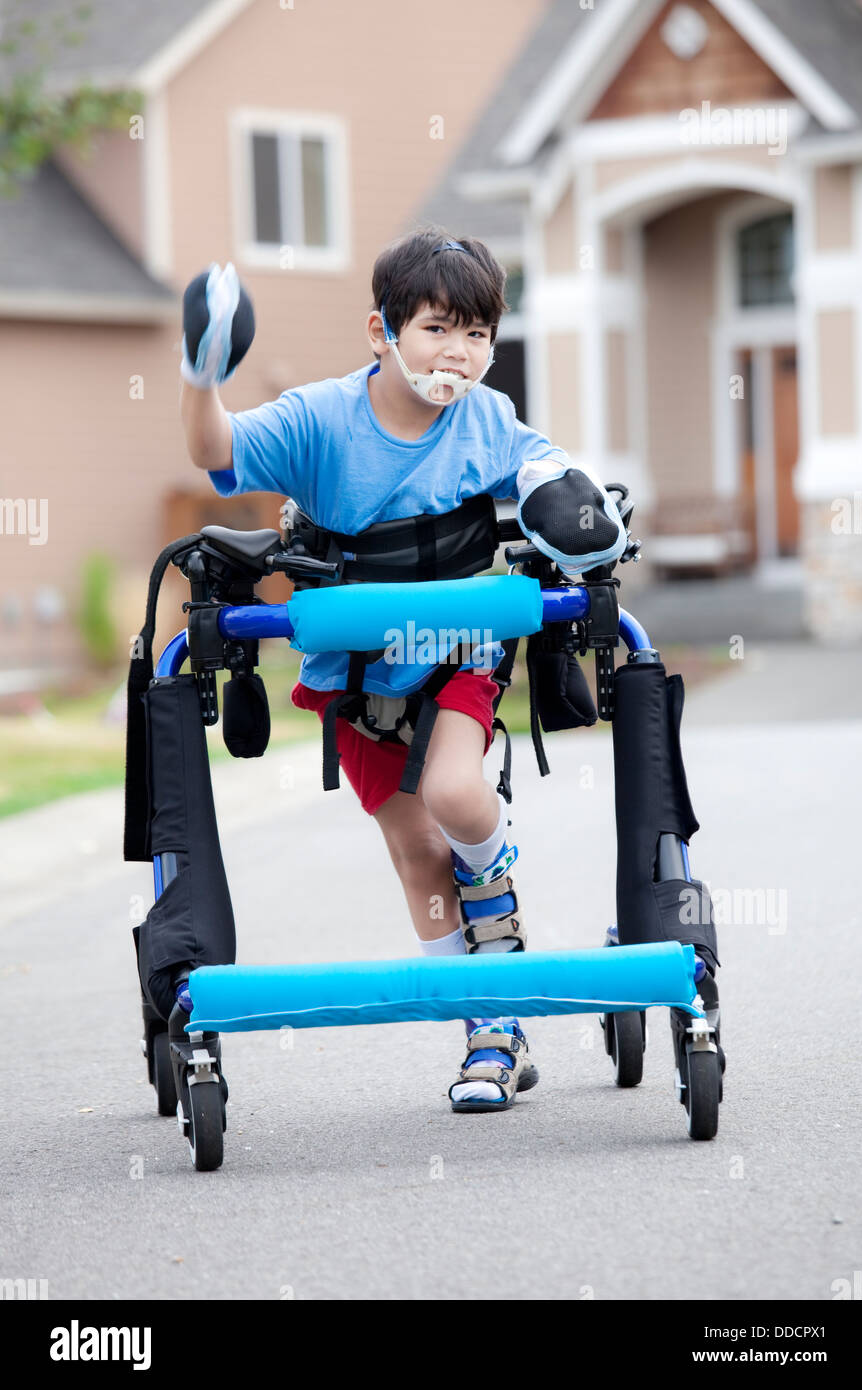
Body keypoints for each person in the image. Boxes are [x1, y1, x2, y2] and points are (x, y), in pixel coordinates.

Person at [179, 228, 626, 1111]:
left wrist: (576, 507)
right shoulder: (318, 421)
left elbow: (550, 475)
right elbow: (217, 454)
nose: (457, 353)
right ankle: (482, 1028)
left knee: (459, 798)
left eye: (477, 334)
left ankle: (497, 984)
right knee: (421, 859)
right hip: (354, 672)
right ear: (380, 332)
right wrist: (202, 377)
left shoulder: (488, 420)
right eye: (435, 329)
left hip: (458, 651)